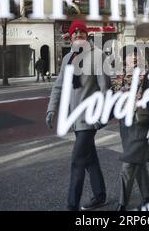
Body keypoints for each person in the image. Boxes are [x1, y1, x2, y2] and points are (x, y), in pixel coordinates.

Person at [45, 20, 110, 211]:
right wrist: (51, 109)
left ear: (87, 35)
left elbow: (105, 89)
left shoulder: (98, 56)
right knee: (90, 158)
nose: (78, 35)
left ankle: (71, 206)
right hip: (74, 119)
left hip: (89, 118)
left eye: (82, 32)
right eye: (75, 33)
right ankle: (100, 195)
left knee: (77, 161)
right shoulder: (68, 58)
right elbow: (58, 86)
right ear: (71, 37)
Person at [112, 45, 149, 211]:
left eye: (136, 54)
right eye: (129, 55)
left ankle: (122, 204)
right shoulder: (119, 77)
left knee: (128, 165)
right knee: (138, 164)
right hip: (125, 127)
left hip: (141, 125)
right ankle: (148, 198)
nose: (133, 58)